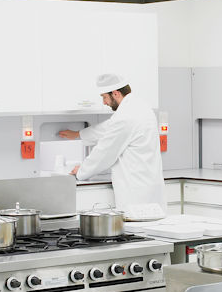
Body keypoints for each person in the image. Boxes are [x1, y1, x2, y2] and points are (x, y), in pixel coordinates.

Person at [59, 73, 166, 211]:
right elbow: (109, 127)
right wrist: (78, 134)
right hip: (151, 187)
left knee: (137, 230)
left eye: (104, 97)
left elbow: (104, 152)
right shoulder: (140, 107)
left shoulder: (125, 117)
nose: (104, 102)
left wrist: (81, 171)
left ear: (115, 93)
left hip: (135, 193)